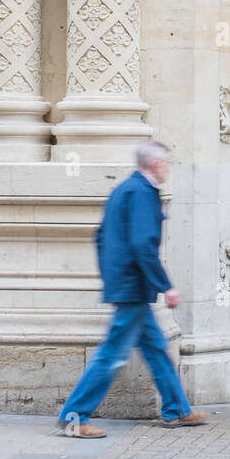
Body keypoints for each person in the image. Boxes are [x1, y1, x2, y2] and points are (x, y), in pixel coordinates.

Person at [57, 141, 207, 438]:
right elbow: (143, 245)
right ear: (155, 164)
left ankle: (177, 410)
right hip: (133, 288)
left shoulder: (124, 190)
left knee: (155, 350)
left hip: (126, 287)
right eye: (166, 162)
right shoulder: (141, 193)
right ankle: (74, 417)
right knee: (111, 355)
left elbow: (100, 239)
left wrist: (111, 283)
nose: (168, 168)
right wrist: (166, 286)